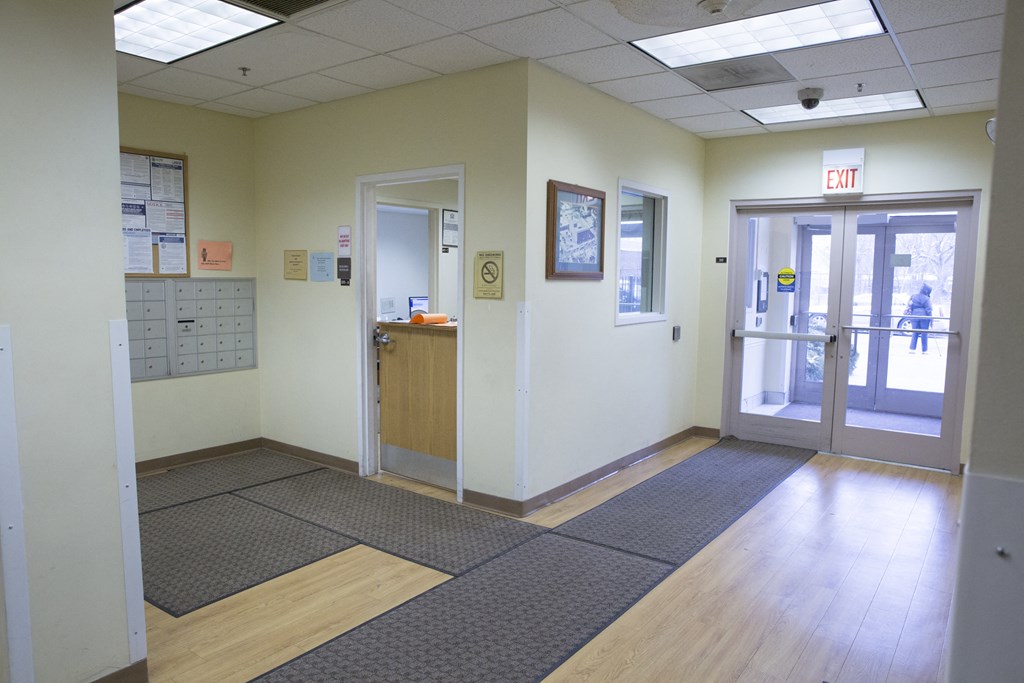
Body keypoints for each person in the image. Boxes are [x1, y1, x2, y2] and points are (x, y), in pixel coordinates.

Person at [907, 283, 933, 354]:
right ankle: (924, 350)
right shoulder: (927, 299)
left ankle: (912, 349)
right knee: (924, 333)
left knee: (915, 333)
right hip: (924, 317)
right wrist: (931, 320)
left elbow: (909, 305)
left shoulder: (913, 296)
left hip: (914, 316)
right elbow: (929, 310)